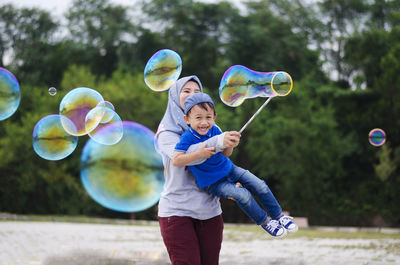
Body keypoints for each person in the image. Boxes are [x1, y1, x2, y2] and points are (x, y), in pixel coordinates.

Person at [173, 92, 298, 238]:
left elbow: (226, 154)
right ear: (187, 119)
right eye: (198, 118)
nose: (204, 122)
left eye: (208, 117)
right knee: (243, 195)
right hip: (213, 183)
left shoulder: (215, 130)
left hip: (230, 169)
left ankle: (278, 215)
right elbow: (176, 160)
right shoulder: (187, 138)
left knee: (260, 185)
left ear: (214, 117)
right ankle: (265, 222)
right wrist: (199, 154)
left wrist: (231, 144)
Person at [154, 76, 241, 265]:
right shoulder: (166, 133)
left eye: (196, 91)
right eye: (186, 91)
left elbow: (218, 162)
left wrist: (230, 184)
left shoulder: (211, 127)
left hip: (210, 212)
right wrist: (218, 141)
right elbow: (187, 155)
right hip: (176, 213)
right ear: (175, 97)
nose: (192, 95)